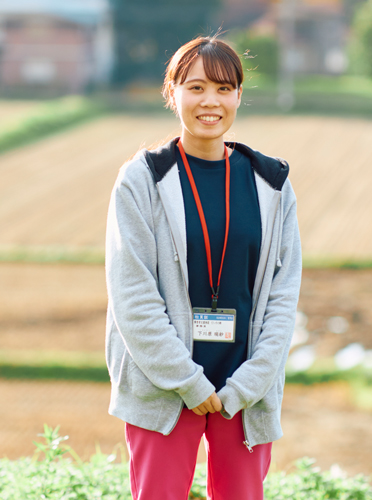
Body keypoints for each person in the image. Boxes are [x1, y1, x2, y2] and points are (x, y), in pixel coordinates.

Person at [105, 34, 302, 500]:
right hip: (163, 385)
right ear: (171, 93)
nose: (210, 101)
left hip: (244, 389)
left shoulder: (272, 184)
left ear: (238, 95)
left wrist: (249, 383)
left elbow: (283, 293)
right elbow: (132, 296)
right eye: (195, 88)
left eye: (223, 88)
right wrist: (188, 382)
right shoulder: (142, 180)